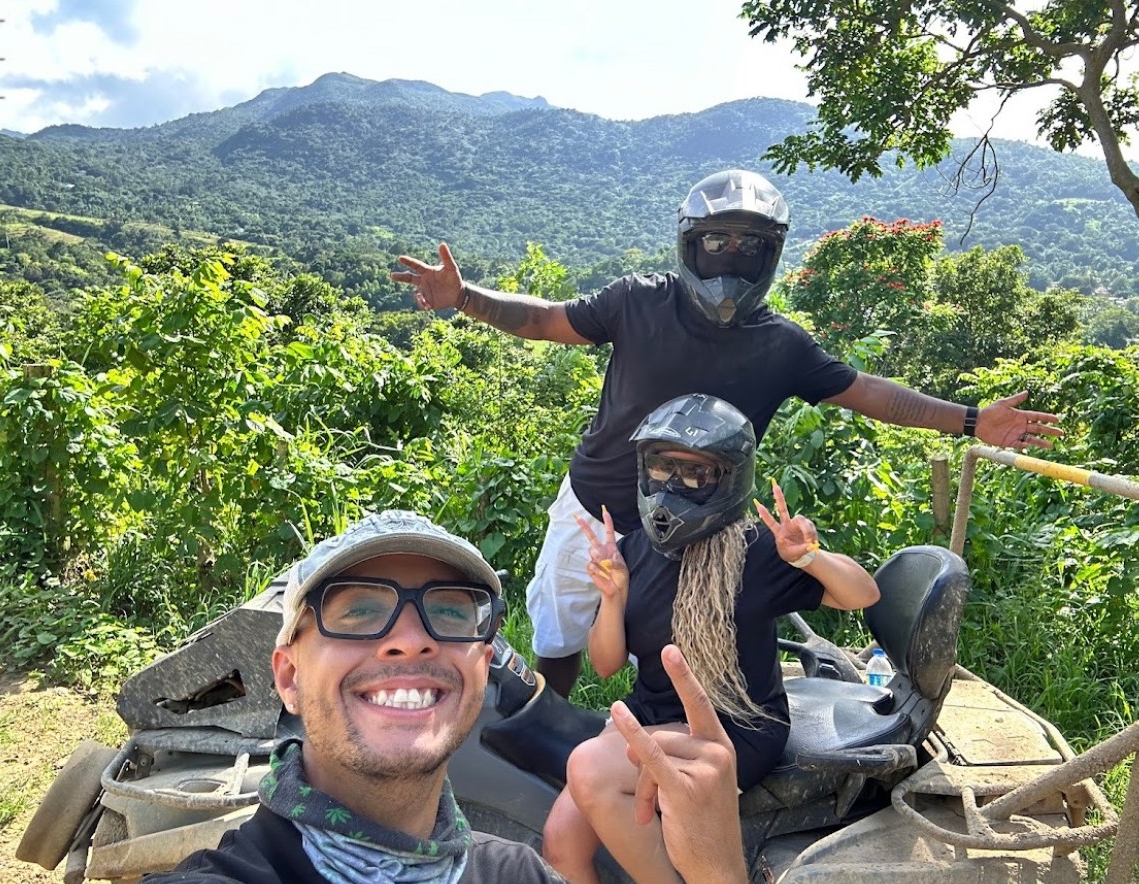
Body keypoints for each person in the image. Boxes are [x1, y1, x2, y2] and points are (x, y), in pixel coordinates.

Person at [392, 168, 1062, 697]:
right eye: (716, 242)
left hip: (707, 523)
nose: (729, 259)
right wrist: (466, 299)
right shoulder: (637, 302)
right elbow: (544, 321)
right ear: (690, 244)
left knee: (708, 641)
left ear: (770, 254)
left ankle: (719, 733)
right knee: (563, 631)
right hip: (597, 504)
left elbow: (871, 394)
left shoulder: (782, 346)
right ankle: (552, 732)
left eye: (748, 246)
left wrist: (974, 420)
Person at [124, 510, 748, 884]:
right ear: (288, 676)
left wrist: (720, 881)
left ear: (482, 664)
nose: (412, 636)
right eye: (361, 609)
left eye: (450, 612)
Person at [540, 394, 881, 884]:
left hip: (736, 728)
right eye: (662, 468)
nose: (672, 486)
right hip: (653, 715)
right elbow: (607, 664)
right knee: (561, 843)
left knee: (588, 766)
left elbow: (863, 594)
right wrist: (612, 598)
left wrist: (809, 556)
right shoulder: (634, 549)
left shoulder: (755, 554)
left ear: (729, 478)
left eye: (696, 474)